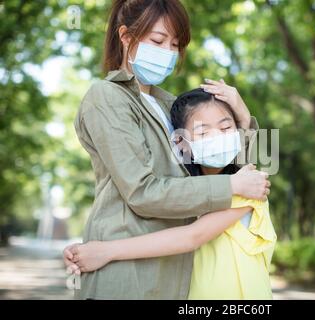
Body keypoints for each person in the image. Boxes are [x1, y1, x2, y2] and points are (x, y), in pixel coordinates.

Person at [65, 0, 270, 299]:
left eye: (175, 44)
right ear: (125, 37)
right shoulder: (107, 97)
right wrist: (231, 186)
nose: (169, 53)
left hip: (175, 275)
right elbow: (142, 192)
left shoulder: (170, 105)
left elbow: (231, 168)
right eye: (158, 41)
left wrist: (243, 115)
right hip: (126, 274)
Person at [65, 89, 276, 299]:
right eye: (203, 132)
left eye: (226, 128)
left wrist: (105, 251)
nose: (218, 138)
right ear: (181, 143)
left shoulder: (247, 187)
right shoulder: (189, 193)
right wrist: (87, 252)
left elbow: (191, 237)